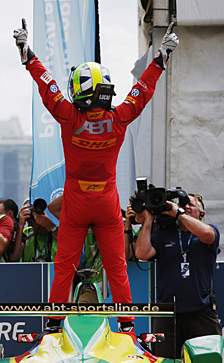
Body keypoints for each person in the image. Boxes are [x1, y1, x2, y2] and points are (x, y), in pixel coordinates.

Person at [13, 19, 179, 330]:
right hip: (106, 200)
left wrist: (28, 54)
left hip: (75, 201)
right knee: (117, 268)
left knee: (64, 267)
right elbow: (141, 91)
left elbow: (47, 86)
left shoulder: (68, 116)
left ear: (78, 90)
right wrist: (160, 58)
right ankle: (128, 327)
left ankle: (52, 325)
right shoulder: (119, 118)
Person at [135, 194, 222, 359]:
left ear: (201, 214)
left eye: (190, 205)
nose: (186, 207)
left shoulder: (209, 230)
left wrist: (179, 213)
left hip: (200, 310)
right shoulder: (163, 234)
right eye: (182, 204)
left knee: (208, 362)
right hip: (167, 313)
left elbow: (206, 234)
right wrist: (148, 220)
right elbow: (142, 253)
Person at [8, 198, 58, 263]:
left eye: (36, 211)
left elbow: (70, 245)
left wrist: (50, 226)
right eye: (29, 211)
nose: (33, 215)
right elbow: (14, 258)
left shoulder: (57, 230)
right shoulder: (25, 233)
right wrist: (20, 225)